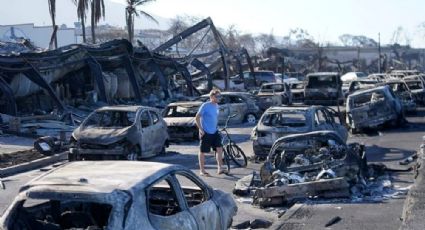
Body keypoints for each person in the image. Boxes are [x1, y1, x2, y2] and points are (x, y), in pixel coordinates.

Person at [195, 88, 226, 176]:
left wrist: (217, 127)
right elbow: (197, 117)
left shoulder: (216, 106)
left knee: (219, 149)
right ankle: (202, 170)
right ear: (212, 97)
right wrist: (201, 130)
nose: (219, 98)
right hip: (206, 132)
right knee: (202, 151)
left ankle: (220, 168)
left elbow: (214, 118)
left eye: (220, 96)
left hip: (215, 131)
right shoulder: (205, 105)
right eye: (217, 96)